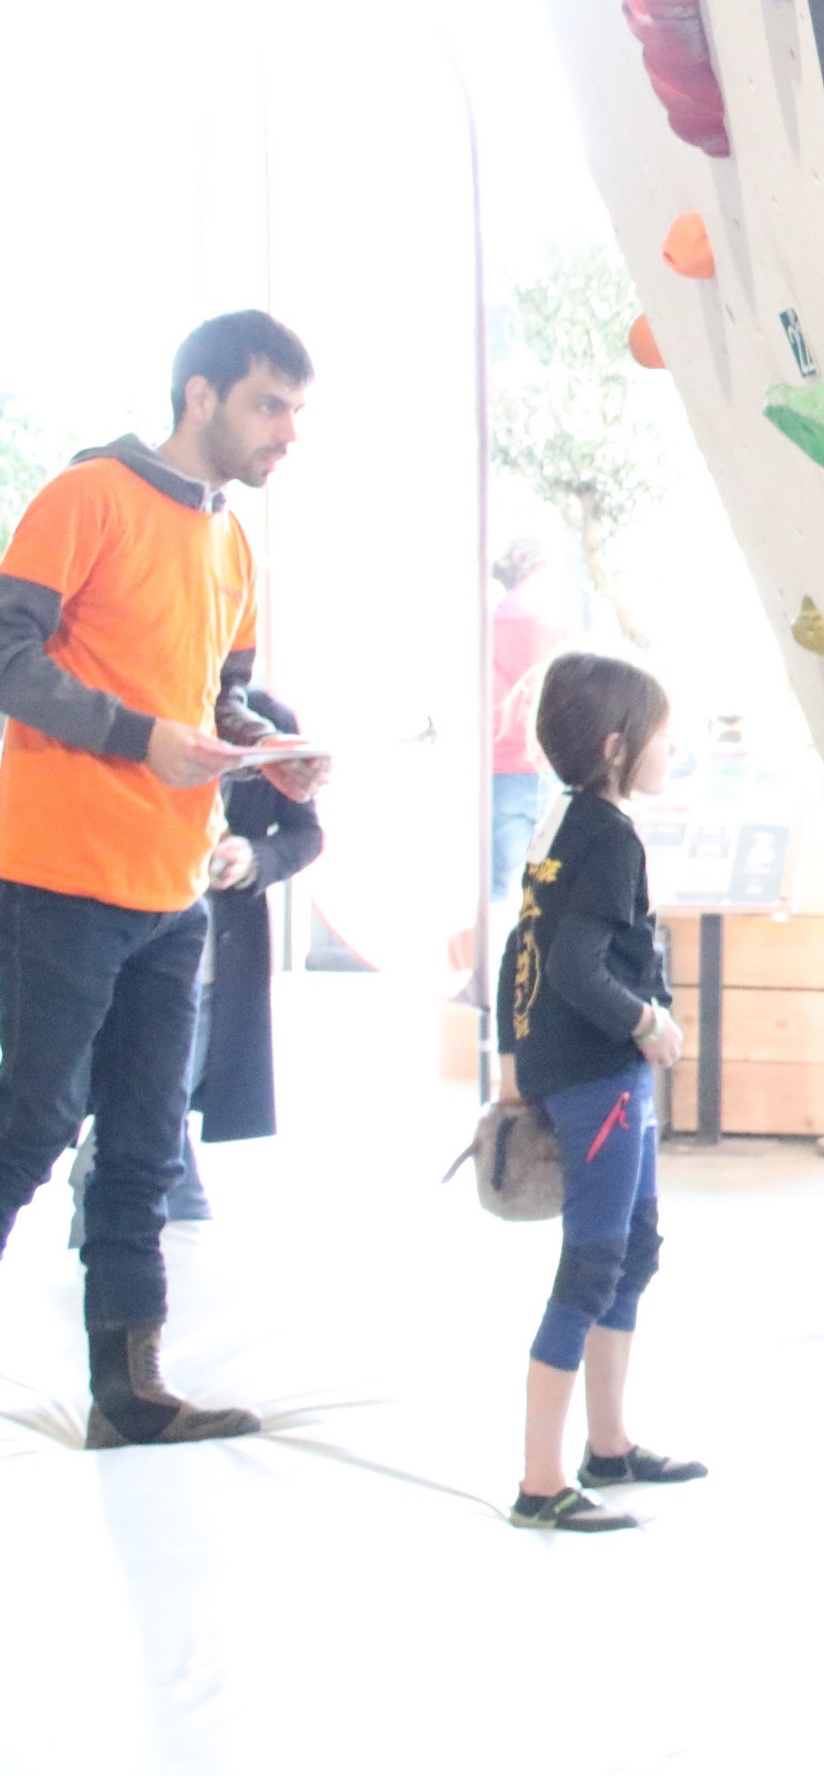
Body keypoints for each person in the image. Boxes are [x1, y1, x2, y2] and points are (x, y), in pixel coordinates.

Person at [0, 311, 326, 1448]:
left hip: (171, 890)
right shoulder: (85, 496)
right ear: (200, 396)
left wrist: (270, 750)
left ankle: (130, 1390)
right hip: (59, 872)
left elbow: (216, 701)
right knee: (30, 1124)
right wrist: (141, 738)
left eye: (296, 410)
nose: (287, 432)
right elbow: (5, 653)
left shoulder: (233, 544)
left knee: (142, 1144)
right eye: (269, 404)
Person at [498, 650, 705, 1533]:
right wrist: (647, 1021)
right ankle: (540, 1481)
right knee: (589, 1266)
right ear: (618, 746)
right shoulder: (611, 839)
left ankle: (608, 1444)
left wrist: (512, 1053)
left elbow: (523, 946)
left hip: (579, 1071)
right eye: (661, 734)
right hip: (599, 1077)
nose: (671, 748)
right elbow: (574, 966)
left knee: (633, 1246)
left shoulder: (563, 821)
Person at [66, 687, 325, 1240]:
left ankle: (129, 1267)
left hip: (212, 965)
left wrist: (254, 858)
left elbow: (306, 833)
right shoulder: (128, 707)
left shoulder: (266, 720)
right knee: (142, 1132)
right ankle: (130, 1268)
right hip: (121, 952)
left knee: (148, 1130)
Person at [487, 540, 565, 923]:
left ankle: (502, 957)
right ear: (538, 570)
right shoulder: (556, 629)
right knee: (549, 888)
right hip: (548, 765)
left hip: (498, 767)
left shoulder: (484, 628)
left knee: (503, 888)